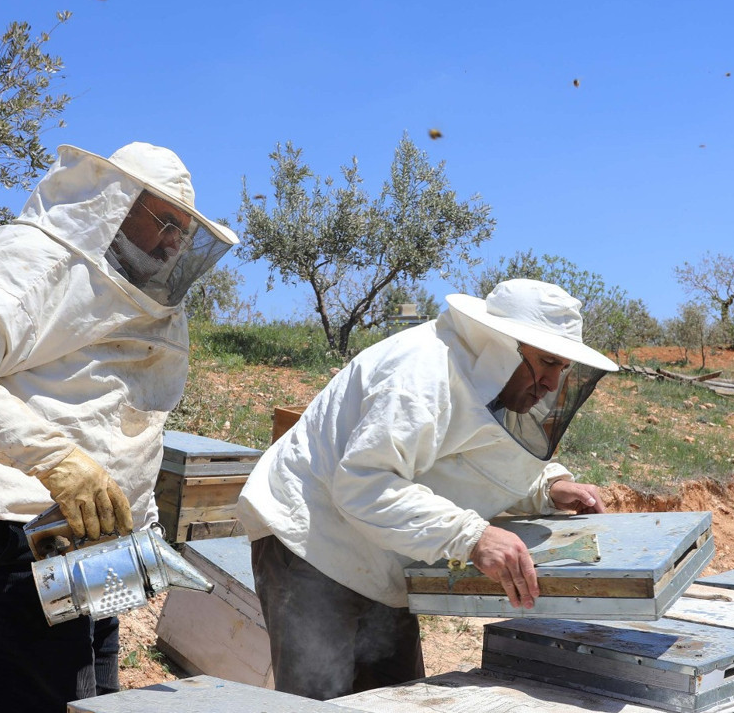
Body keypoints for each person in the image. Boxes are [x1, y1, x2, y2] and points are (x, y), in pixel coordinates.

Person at [0, 142, 238, 713]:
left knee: (98, 702)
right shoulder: (28, 258)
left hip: (95, 546)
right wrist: (56, 460)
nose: (174, 242)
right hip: (7, 539)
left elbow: (121, 420)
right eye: (163, 221)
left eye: (182, 232)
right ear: (114, 201)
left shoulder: (148, 301)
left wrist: (141, 532)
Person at [237, 278, 619, 700]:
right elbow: (365, 483)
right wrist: (472, 536)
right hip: (311, 540)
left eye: (561, 368)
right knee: (317, 702)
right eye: (546, 362)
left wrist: (550, 486)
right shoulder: (420, 373)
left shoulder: (486, 381)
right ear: (501, 345)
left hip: (386, 551)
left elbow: (474, 464)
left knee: (398, 700)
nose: (551, 382)